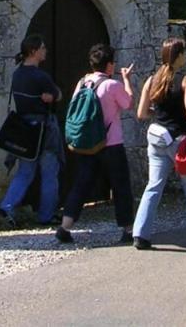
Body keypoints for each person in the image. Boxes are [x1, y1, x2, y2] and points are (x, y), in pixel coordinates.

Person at [131, 37, 186, 251]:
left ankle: (140, 234)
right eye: (184, 53)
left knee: (153, 186)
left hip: (157, 139)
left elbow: (142, 113)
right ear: (177, 57)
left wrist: (160, 114)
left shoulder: (152, 80)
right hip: (181, 143)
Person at [57, 44, 136, 244]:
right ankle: (127, 230)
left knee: (81, 184)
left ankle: (65, 226)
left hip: (88, 144)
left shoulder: (82, 83)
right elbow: (128, 103)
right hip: (111, 144)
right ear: (109, 65)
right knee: (121, 186)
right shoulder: (112, 85)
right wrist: (126, 80)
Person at [0, 33, 62, 227]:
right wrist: (52, 96)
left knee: (25, 171)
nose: (45, 51)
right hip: (44, 130)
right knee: (50, 172)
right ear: (34, 51)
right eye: (42, 48)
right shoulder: (40, 76)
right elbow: (58, 95)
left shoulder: (17, 74)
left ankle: (6, 206)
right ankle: (46, 215)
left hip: (25, 130)